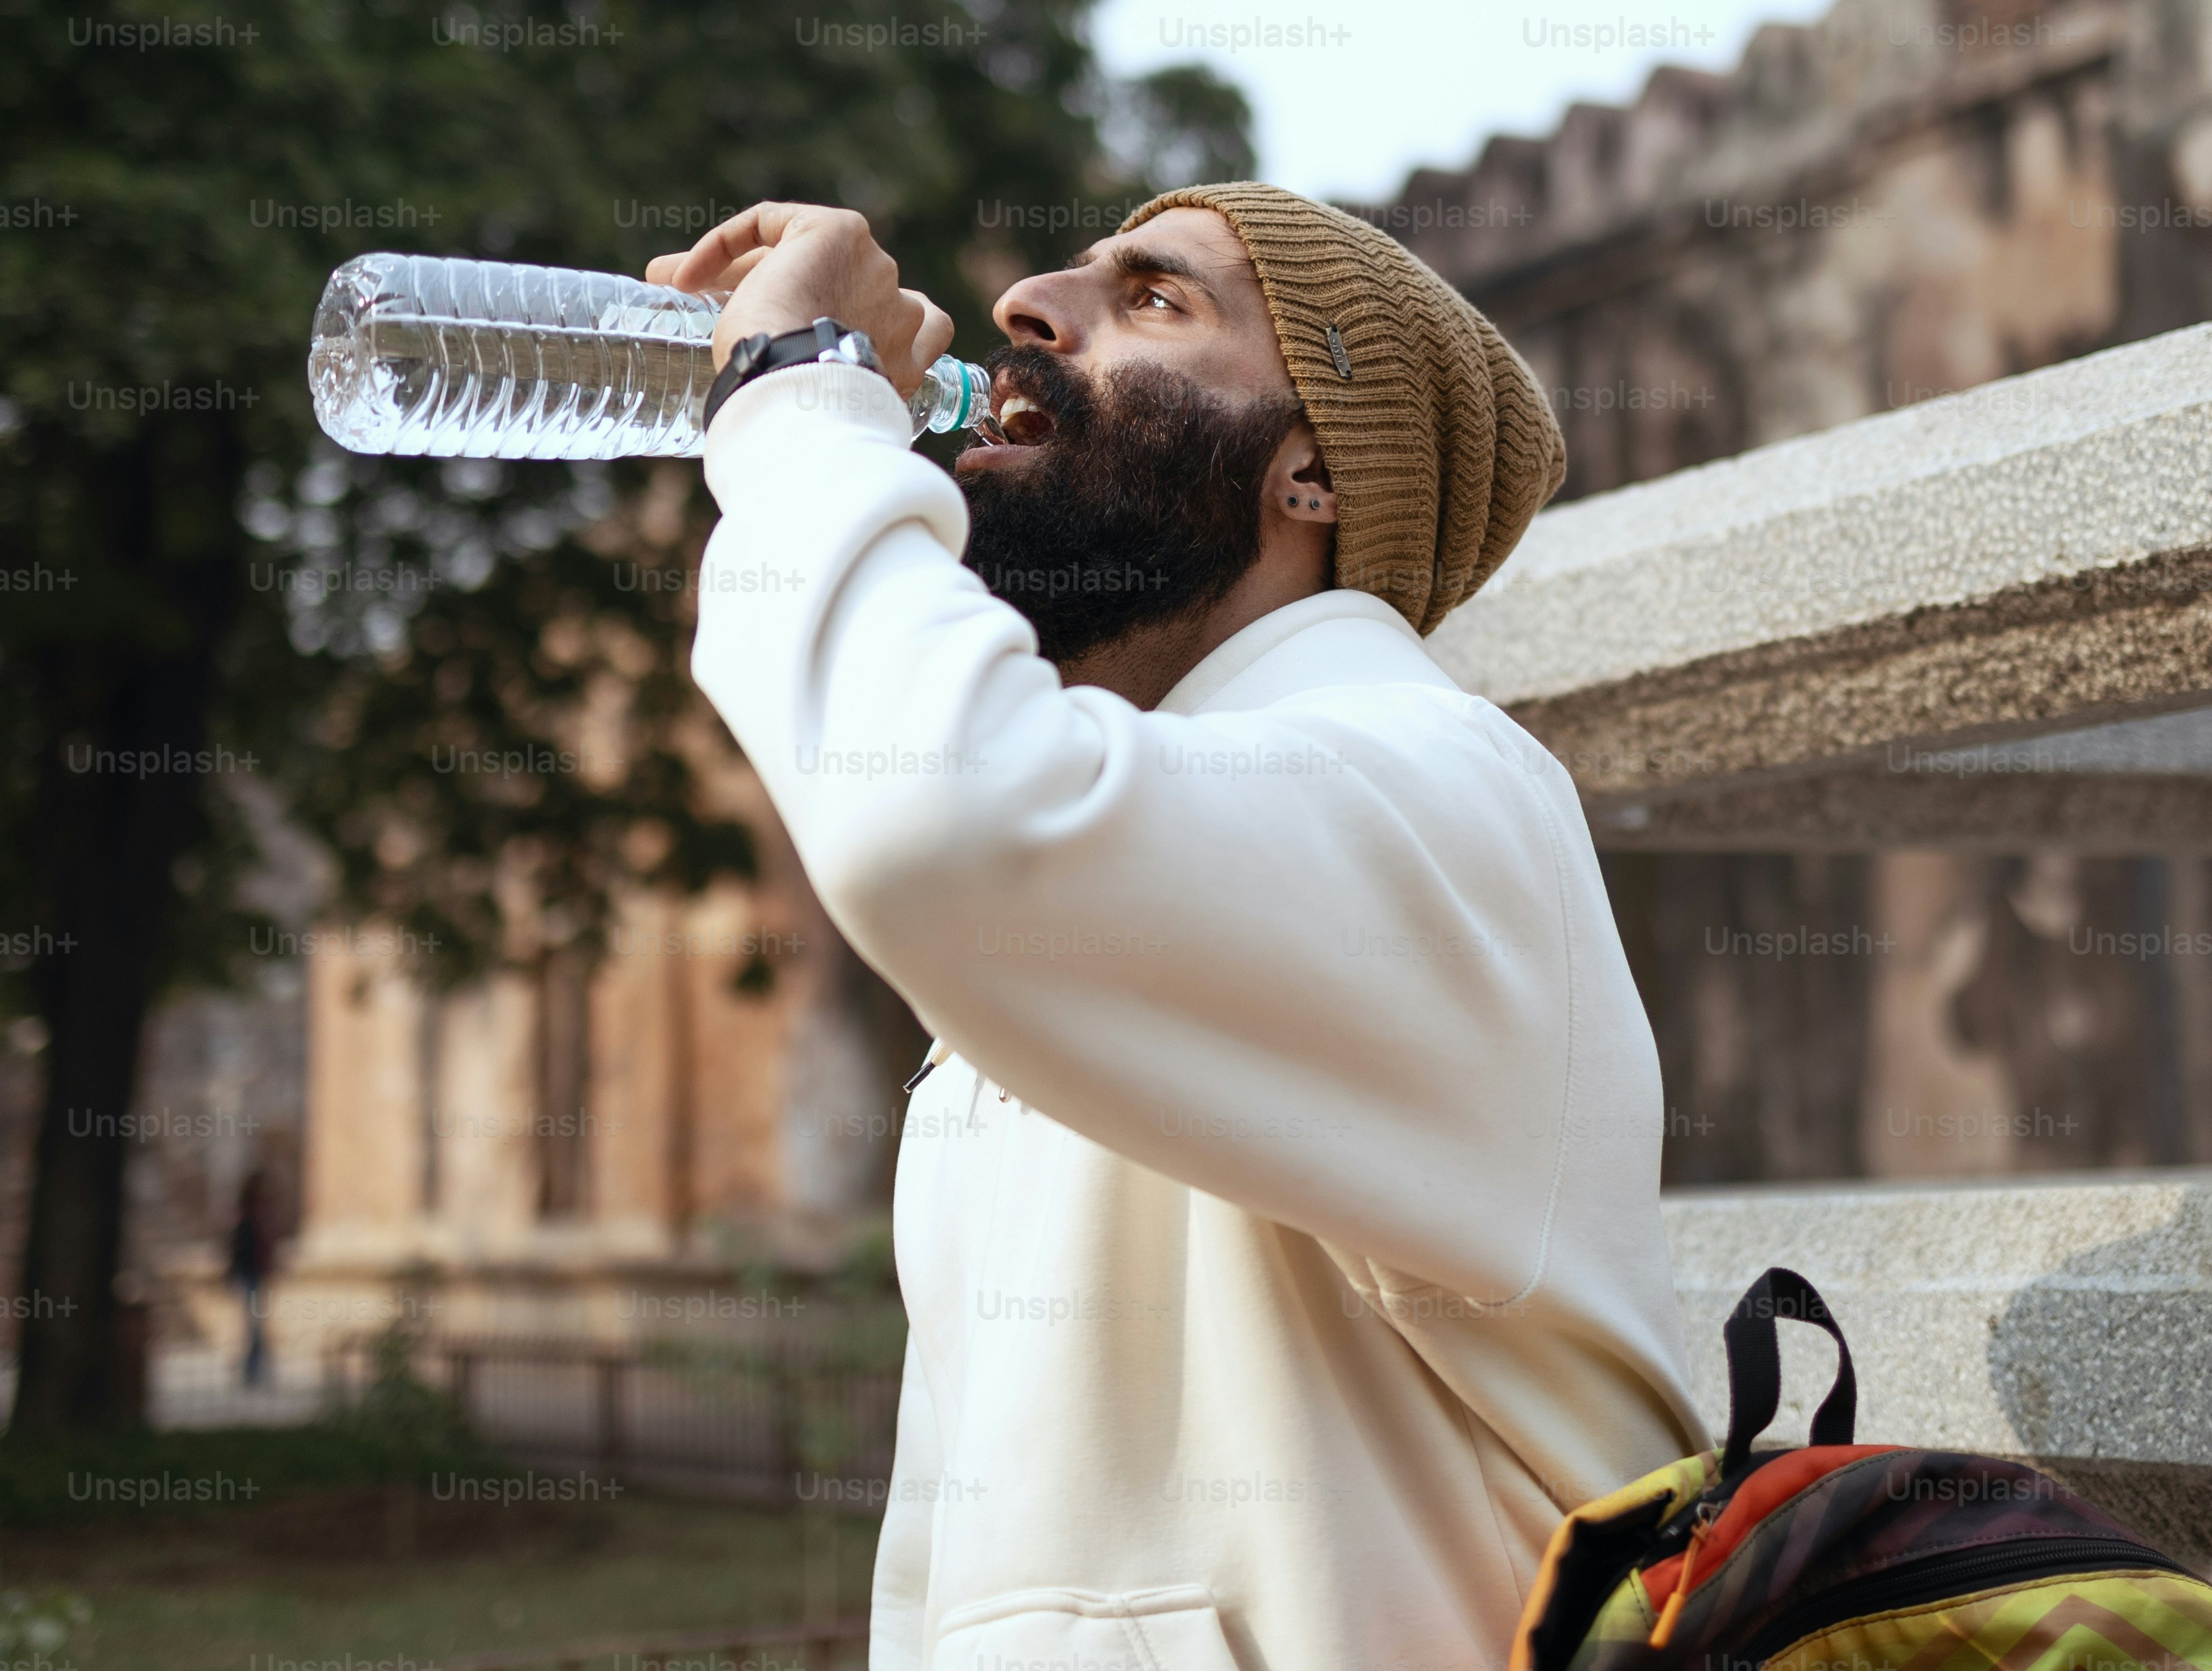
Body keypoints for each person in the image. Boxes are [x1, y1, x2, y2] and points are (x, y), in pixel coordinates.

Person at [653, 186, 1703, 1671]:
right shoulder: (1118, 874)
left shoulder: (1441, 794)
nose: (1025, 298)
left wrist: (793, 400)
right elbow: (943, 1574)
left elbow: (928, 811)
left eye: (1157, 298)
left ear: (1314, 475)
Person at [226, 1165, 274, 1388]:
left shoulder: (259, 1213)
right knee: (255, 1325)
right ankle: (252, 1370)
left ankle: (256, 1368)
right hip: (250, 1273)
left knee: (257, 1324)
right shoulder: (248, 1214)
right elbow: (240, 1246)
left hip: (256, 1272)